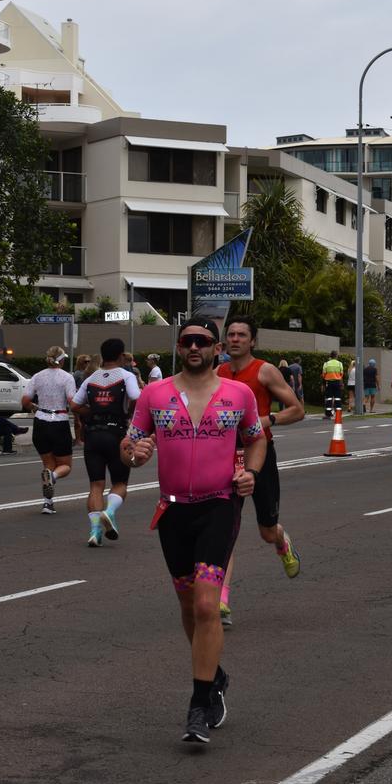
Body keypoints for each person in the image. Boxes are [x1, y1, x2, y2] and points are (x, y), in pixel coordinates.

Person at [120, 319, 266, 745]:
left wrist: (251, 472)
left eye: (203, 341)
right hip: (173, 512)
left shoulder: (237, 394)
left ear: (217, 347)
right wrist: (136, 454)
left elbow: (256, 439)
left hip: (220, 505)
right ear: (179, 347)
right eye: (188, 341)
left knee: (206, 606)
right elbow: (130, 445)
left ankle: (198, 706)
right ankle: (215, 675)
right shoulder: (155, 393)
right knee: (188, 607)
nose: (195, 347)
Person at [217, 315, 304, 626]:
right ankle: (222, 602)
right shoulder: (219, 372)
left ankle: (282, 542)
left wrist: (266, 421)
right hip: (227, 457)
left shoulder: (264, 370)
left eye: (242, 335)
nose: (236, 339)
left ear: (252, 341)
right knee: (224, 530)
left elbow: (297, 409)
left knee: (266, 531)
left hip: (260, 454)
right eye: (232, 334)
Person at [71, 338, 142, 547]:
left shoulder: (91, 378)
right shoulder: (126, 375)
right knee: (120, 482)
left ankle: (95, 531)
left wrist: (92, 412)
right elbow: (136, 397)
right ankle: (109, 512)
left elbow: (75, 404)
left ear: (103, 356)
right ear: (121, 355)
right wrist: (128, 412)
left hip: (93, 434)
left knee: (95, 485)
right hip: (116, 433)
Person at [21, 346, 76, 515]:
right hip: (59, 421)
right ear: (61, 360)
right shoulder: (67, 377)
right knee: (65, 466)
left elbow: (25, 400)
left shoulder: (38, 376)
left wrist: (36, 407)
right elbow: (71, 401)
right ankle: (52, 478)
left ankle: (47, 503)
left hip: (41, 421)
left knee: (48, 465)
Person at [72, 354, 92, 446]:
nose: (87, 363)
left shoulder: (88, 373)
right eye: (85, 362)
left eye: (89, 361)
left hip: (86, 400)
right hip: (78, 399)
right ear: (80, 362)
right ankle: (78, 439)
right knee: (78, 420)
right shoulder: (77, 373)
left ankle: (83, 438)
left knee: (85, 421)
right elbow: (72, 386)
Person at [321, 350, 344, 418]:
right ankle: (338, 414)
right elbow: (341, 375)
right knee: (338, 399)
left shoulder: (326, 364)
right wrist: (342, 384)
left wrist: (323, 385)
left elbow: (323, 375)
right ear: (336, 356)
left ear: (330, 356)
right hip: (337, 383)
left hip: (329, 383)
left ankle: (328, 414)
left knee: (329, 399)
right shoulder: (340, 364)